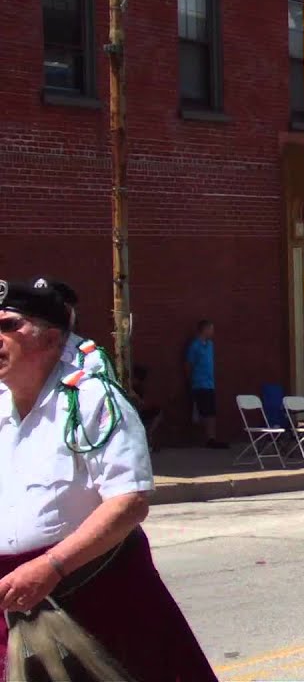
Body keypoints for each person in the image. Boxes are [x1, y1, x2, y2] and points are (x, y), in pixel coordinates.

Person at [0, 277, 216, 680]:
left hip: (92, 595)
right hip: (11, 601)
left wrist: (51, 566)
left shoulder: (92, 401)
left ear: (50, 340)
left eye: (9, 325)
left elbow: (128, 502)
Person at [46, 280, 118, 382]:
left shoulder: (91, 358)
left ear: (70, 313)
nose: (43, 317)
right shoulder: (20, 354)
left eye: (51, 310)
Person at [185, 319, 220, 448]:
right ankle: (208, 438)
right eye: (211, 329)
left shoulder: (210, 345)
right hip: (199, 383)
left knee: (211, 411)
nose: (212, 332)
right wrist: (191, 380)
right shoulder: (195, 346)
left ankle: (211, 438)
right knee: (205, 412)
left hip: (210, 383)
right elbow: (188, 364)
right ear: (204, 329)